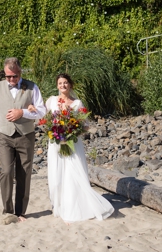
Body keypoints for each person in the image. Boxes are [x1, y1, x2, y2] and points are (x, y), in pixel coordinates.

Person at [37, 74, 113, 223]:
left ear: (70, 85)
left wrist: (72, 131)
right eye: (60, 83)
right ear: (57, 85)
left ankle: (74, 207)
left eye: (65, 83)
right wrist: (52, 129)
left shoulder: (77, 103)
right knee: (57, 175)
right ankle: (59, 206)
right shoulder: (51, 101)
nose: (63, 85)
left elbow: (85, 126)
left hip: (73, 144)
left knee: (73, 173)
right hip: (56, 144)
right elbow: (43, 118)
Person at [0, 57, 46, 223]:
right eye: (8, 76)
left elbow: (42, 111)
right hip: (4, 135)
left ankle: (21, 212)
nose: (11, 80)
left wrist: (23, 112)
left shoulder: (32, 87)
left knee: (24, 174)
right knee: (6, 171)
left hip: (26, 135)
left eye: (14, 76)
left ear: (20, 73)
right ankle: (8, 210)